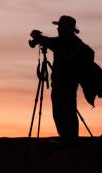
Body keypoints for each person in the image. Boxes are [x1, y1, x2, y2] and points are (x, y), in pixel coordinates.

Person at [29, 15, 94, 144]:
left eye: (60, 26)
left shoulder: (66, 42)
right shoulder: (74, 42)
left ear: (66, 28)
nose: (58, 29)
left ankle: (69, 141)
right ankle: (67, 139)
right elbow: (51, 42)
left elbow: (50, 42)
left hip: (65, 84)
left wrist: (37, 37)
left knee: (64, 112)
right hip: (64, 83)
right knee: (64, 112)